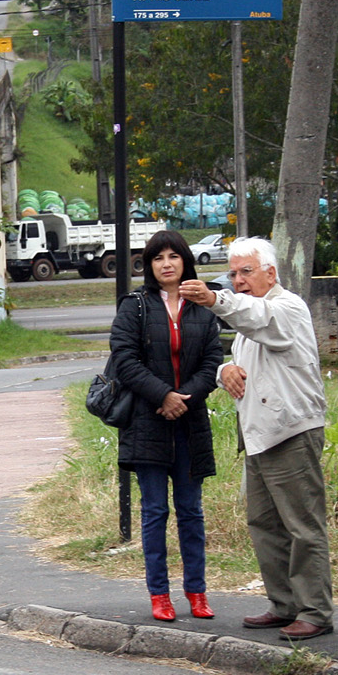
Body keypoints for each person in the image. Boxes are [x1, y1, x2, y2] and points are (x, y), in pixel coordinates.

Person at [178, 238, 332, 640]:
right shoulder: (250, 321)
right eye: (233, 273)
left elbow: (259, 318)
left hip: (291, 432)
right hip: (260, 436)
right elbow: (247, 356)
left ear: (270, 273)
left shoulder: (287, 307)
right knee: (264, 524)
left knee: (302, 525)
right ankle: (284, 604)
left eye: (246, 271)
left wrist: (215, 299)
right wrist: (223, 370)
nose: (239, 280)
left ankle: (315, 610)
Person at [110, 230, 223, 622]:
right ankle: (159, 595)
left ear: (186, 261)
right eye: (158, 258)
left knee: (191, 510)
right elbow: (124, 360)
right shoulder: (135, 307)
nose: (167, 264)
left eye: (174, 256)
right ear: (150, 265)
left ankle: (197, 591)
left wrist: (185, 397)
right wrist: (163, 396)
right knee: (155, 510)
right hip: (148, 422)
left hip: (189, 423)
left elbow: (213, 363)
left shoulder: (202, 308)